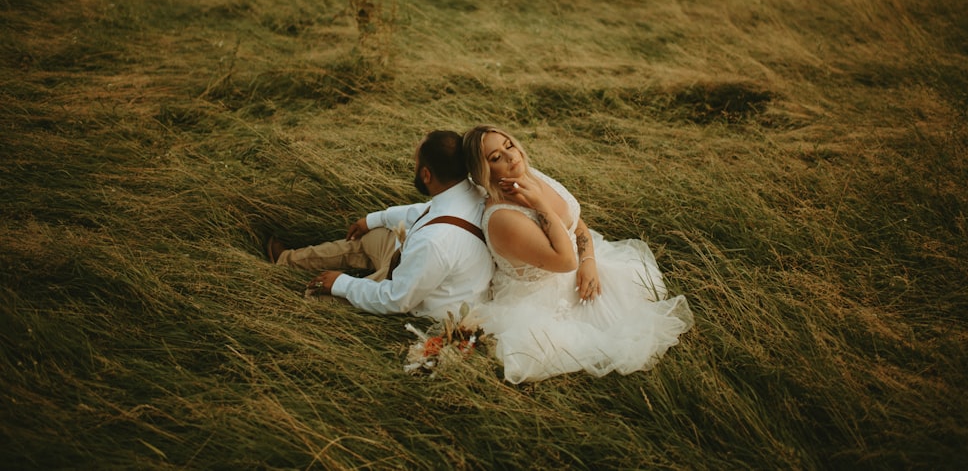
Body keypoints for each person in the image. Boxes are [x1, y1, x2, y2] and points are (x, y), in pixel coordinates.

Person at [463, 125, 693, 383]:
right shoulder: (504, 218)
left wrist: (589, 261)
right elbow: (565, 261)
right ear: (485, 172)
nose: (511, 156)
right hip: (543, 300)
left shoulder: (525, 176)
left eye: (509, 146)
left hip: (578, 267)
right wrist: (539, 204)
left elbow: (576, 223)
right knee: (611, 340)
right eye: (496, 157)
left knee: (632, 288)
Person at [267, 130, 493, 321]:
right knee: (369, 237)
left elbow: (396, 300)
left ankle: (286, 299)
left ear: (426, 175)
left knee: (318, 297)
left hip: (420, 297)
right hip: (413, 262)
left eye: (416, 162)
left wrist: (342, 283)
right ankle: (287, 259)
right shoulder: (471, 189)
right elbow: (423, 211)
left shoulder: (434, 241)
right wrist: (373, 219)